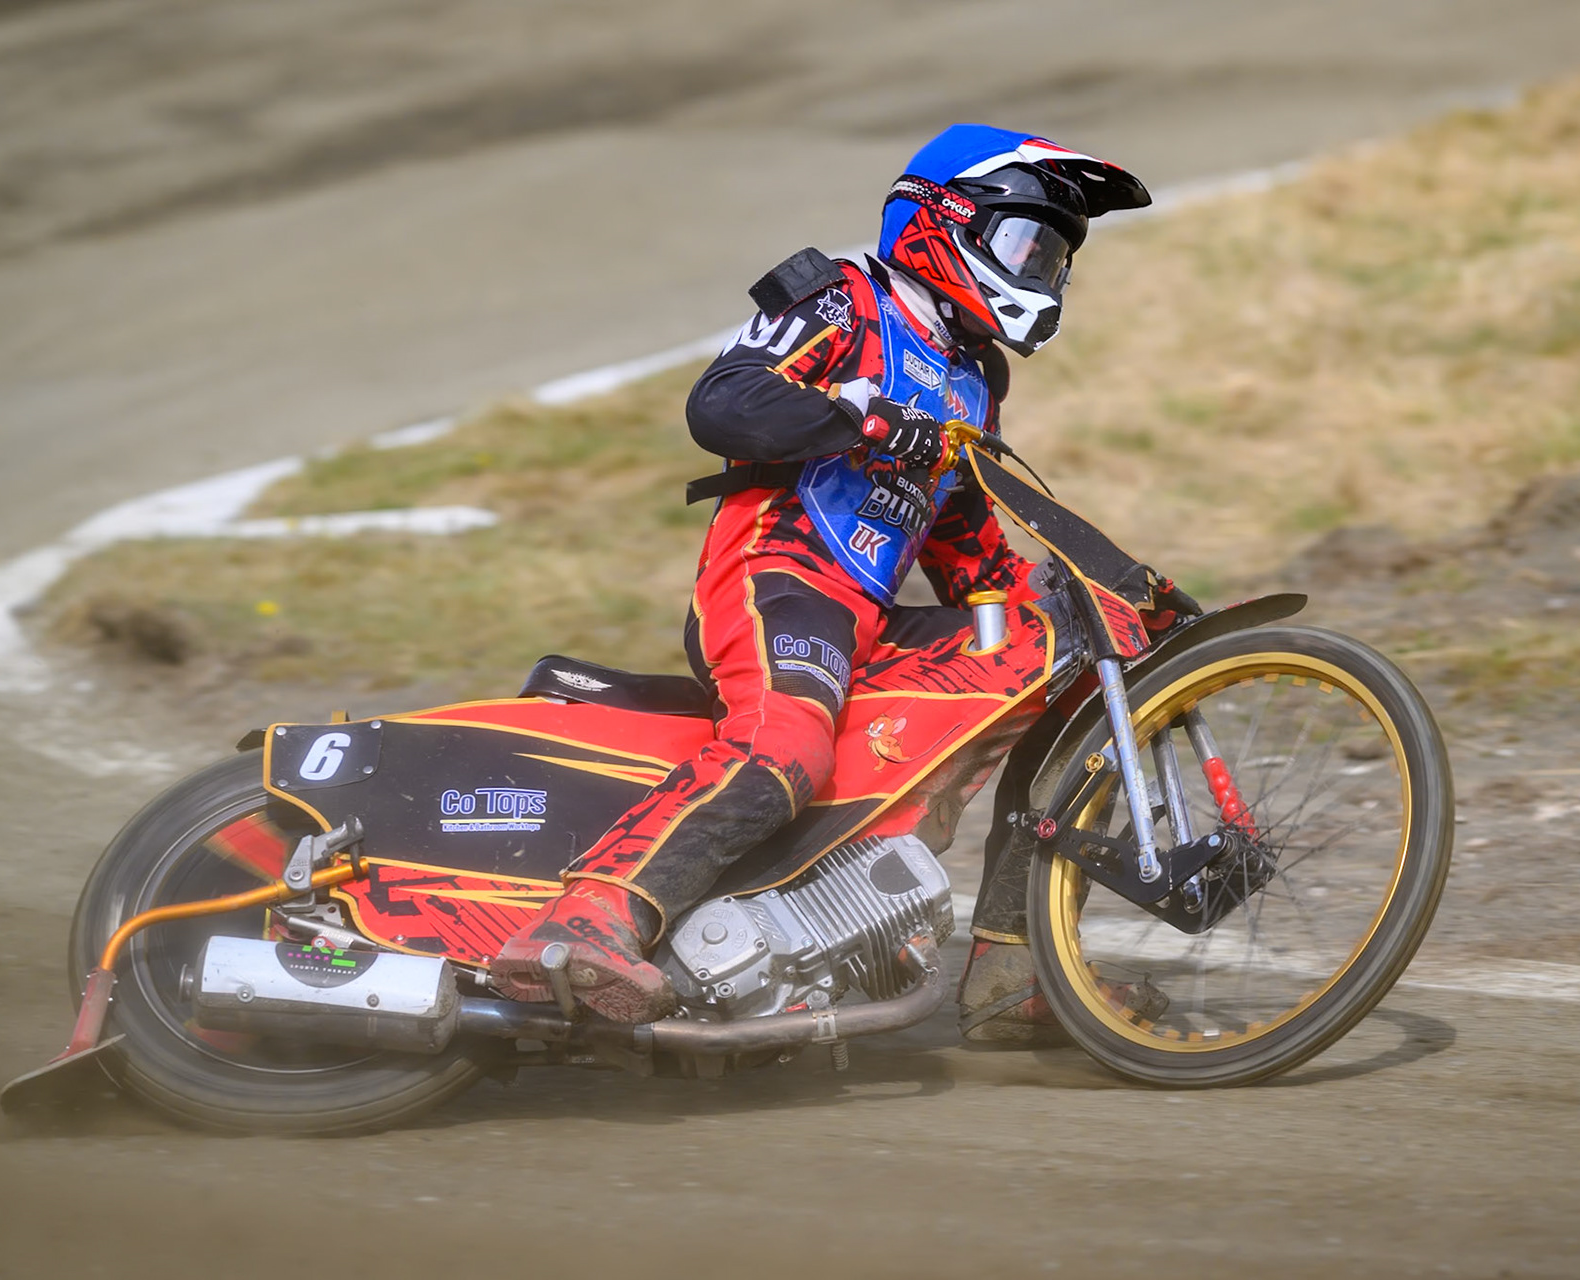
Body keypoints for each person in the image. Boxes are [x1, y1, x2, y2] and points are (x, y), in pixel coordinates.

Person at [488, 125, 1155, 1037]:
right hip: (776, 574)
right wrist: (862, 416)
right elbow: (724, 401)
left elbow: (959, 540)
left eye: (1052, 258)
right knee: (789, 747)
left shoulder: (975, 377)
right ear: (944, 222)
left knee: (1065, 667)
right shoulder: (846, 298)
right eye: (1022, 243)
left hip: (870, 616)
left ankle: (1011, 972)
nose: (1039, 272)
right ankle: (587, 923)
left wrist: (1063, 600)